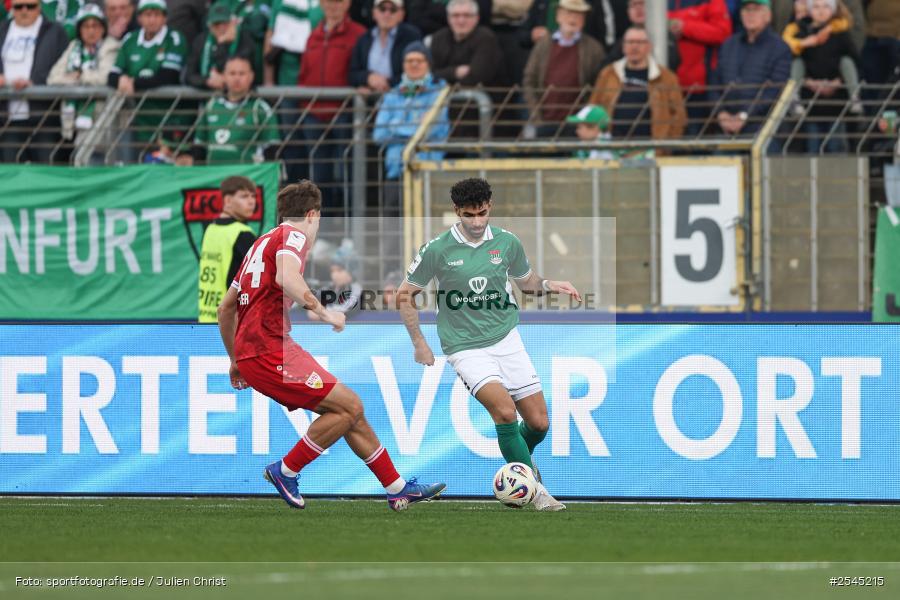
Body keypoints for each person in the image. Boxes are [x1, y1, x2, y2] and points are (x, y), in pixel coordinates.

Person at [217, 180, 446, 511]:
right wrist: (324, 312)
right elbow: (286, 277)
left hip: (260, 352)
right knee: (349, 406)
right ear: (312, 215)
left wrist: (236, 359)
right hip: (271, 350)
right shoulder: (291, 237)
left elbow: (226, 309)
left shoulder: (260, 243)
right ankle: (286, 470)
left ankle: (397, 488)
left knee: (349, 410)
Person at [396, 177, 580, 512]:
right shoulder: (437, 250)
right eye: (469, 215)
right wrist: (419, 343)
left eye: (482, 213)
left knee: (539, 423)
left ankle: (517, 470)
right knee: (505, 413)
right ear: (457, 212)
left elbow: (527, 284)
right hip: (464, 346)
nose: (477, 222)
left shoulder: (507, 243)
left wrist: (553, 284)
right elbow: (404, 295)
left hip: (507, 339)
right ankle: (537, 492)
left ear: (490, 206)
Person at [372, 40, 449, 269]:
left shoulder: (439, 90)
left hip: (426, 171)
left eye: (419, 60)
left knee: (428, 228)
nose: (414, 65)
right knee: (393, 230)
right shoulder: (394, 93)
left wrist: (397, 126)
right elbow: (378, 133)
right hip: (397, 170)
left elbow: (434, 129)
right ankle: (392, 276)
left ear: (428, 64)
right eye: (409, 61)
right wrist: (414, 127)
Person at [107, 0, 189, 155]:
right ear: (139, 18)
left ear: (165, 18)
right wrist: (121, 80)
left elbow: (168, 76)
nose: (152, 20)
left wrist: (132, 82)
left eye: (157, 15)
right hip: (138, 119)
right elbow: (112, 75)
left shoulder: (175, 38)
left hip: (169, 118)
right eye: (147, 15)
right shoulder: (130, 39)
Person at [522, 0, 605, 137]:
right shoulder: (543, 45)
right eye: (568, 13)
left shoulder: (593, 49)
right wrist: (536, 115)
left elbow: (597, 86)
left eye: (578, 15)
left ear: (584, 20)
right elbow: (529, 80)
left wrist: (584, 118)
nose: (573, 19)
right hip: (544, 121)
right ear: (558, 16)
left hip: (577, 125)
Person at [709, 0, 791, 137]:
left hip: (763, 130)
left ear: (768, 15)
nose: (750, 15)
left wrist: (744, 115)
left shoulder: (780, 48)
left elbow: (775, 89)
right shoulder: (729, 44)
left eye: (756, 9)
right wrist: (721, 113)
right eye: (746, 10)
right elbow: (714, 82)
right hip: (725, 129)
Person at [590, 26, 686, 142]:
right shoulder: (608, 73)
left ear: (649, 46)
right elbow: (594, 106)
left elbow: (678, 116)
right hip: (612, 147)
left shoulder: (667, 78)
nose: (634, 46)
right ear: (623, 46)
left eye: (640, 42)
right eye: (630, 42)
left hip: (651, 149)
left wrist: (665, 147)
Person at [0, 0, 69, 163]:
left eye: (30, 6)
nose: (24, 11)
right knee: (11, 171)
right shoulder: (2, 30)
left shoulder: (55, 31)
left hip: (44, 116)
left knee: (47, 170)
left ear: (39, 7)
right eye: (18, 7)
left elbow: (66, 68)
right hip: (8, 117)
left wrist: (36, 84)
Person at [48, 4, 121, 147]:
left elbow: (105, 77)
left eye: (95, 26)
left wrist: (79, 75)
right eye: (86, 26)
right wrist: (76, 79)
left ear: (103, 28)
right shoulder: (73, 47)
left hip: (102, 118)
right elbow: (53, 78)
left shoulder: (111, 46)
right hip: (72, 119)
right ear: (79, 30)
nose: (91, 31)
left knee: (93, 163)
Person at [192, 56, 280, 164]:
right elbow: (199, 146)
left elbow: (272, 149)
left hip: (247, 177)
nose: (237, 78)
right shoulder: (211, 105)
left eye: (242, 73)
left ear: (251, 76)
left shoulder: (260, 108)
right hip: (213, 176)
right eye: (232, 73)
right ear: (224, 76)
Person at [198, 176, 259, 323]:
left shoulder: (210, 228)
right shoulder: (243, 234)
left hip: (206, 316)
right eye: (244, 196)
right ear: (228, 201)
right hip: (231, 322)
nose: (251, 201)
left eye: (253, 196)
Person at [348, 0, 422, 93]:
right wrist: (368, 78)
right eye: (382, 9)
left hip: (401, 101)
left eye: (393, 10)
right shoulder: (364, 38)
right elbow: (353, 74)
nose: (387, 14)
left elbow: (418, 70)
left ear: (401, 14)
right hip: (368, 103)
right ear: (374, 13)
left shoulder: (411, 37)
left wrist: (388, 83)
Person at [185, 1, 256, 90]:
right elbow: (189, 76)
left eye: (225, 23)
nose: (222, 28)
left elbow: (241, 69)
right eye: (217, 24)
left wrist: (222, 44)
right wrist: (207, 81)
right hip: (207, 98)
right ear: (210, 26)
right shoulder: (200, 41)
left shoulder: (244, 40)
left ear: (232, 23)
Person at [602, 0, 680, 71]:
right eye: (634, 4)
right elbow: (606, 67)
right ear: (628, 12)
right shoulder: (622, 40)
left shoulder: (664, 35)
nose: (638, 8)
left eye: (642, 3)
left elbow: (673, 63)